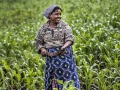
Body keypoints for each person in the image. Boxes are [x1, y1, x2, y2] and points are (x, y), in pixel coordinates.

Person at [35, 5, 80, 90]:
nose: (59, 16)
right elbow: (38, 41)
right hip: (50, 58)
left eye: (60, 14)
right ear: (49, 16)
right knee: (52, 78)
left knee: (68, 78)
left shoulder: (64, 25)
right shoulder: (44, 28)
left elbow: (70, 39)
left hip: (64, 57)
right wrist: (42, 49)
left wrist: (63, 47)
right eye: (56, 14)